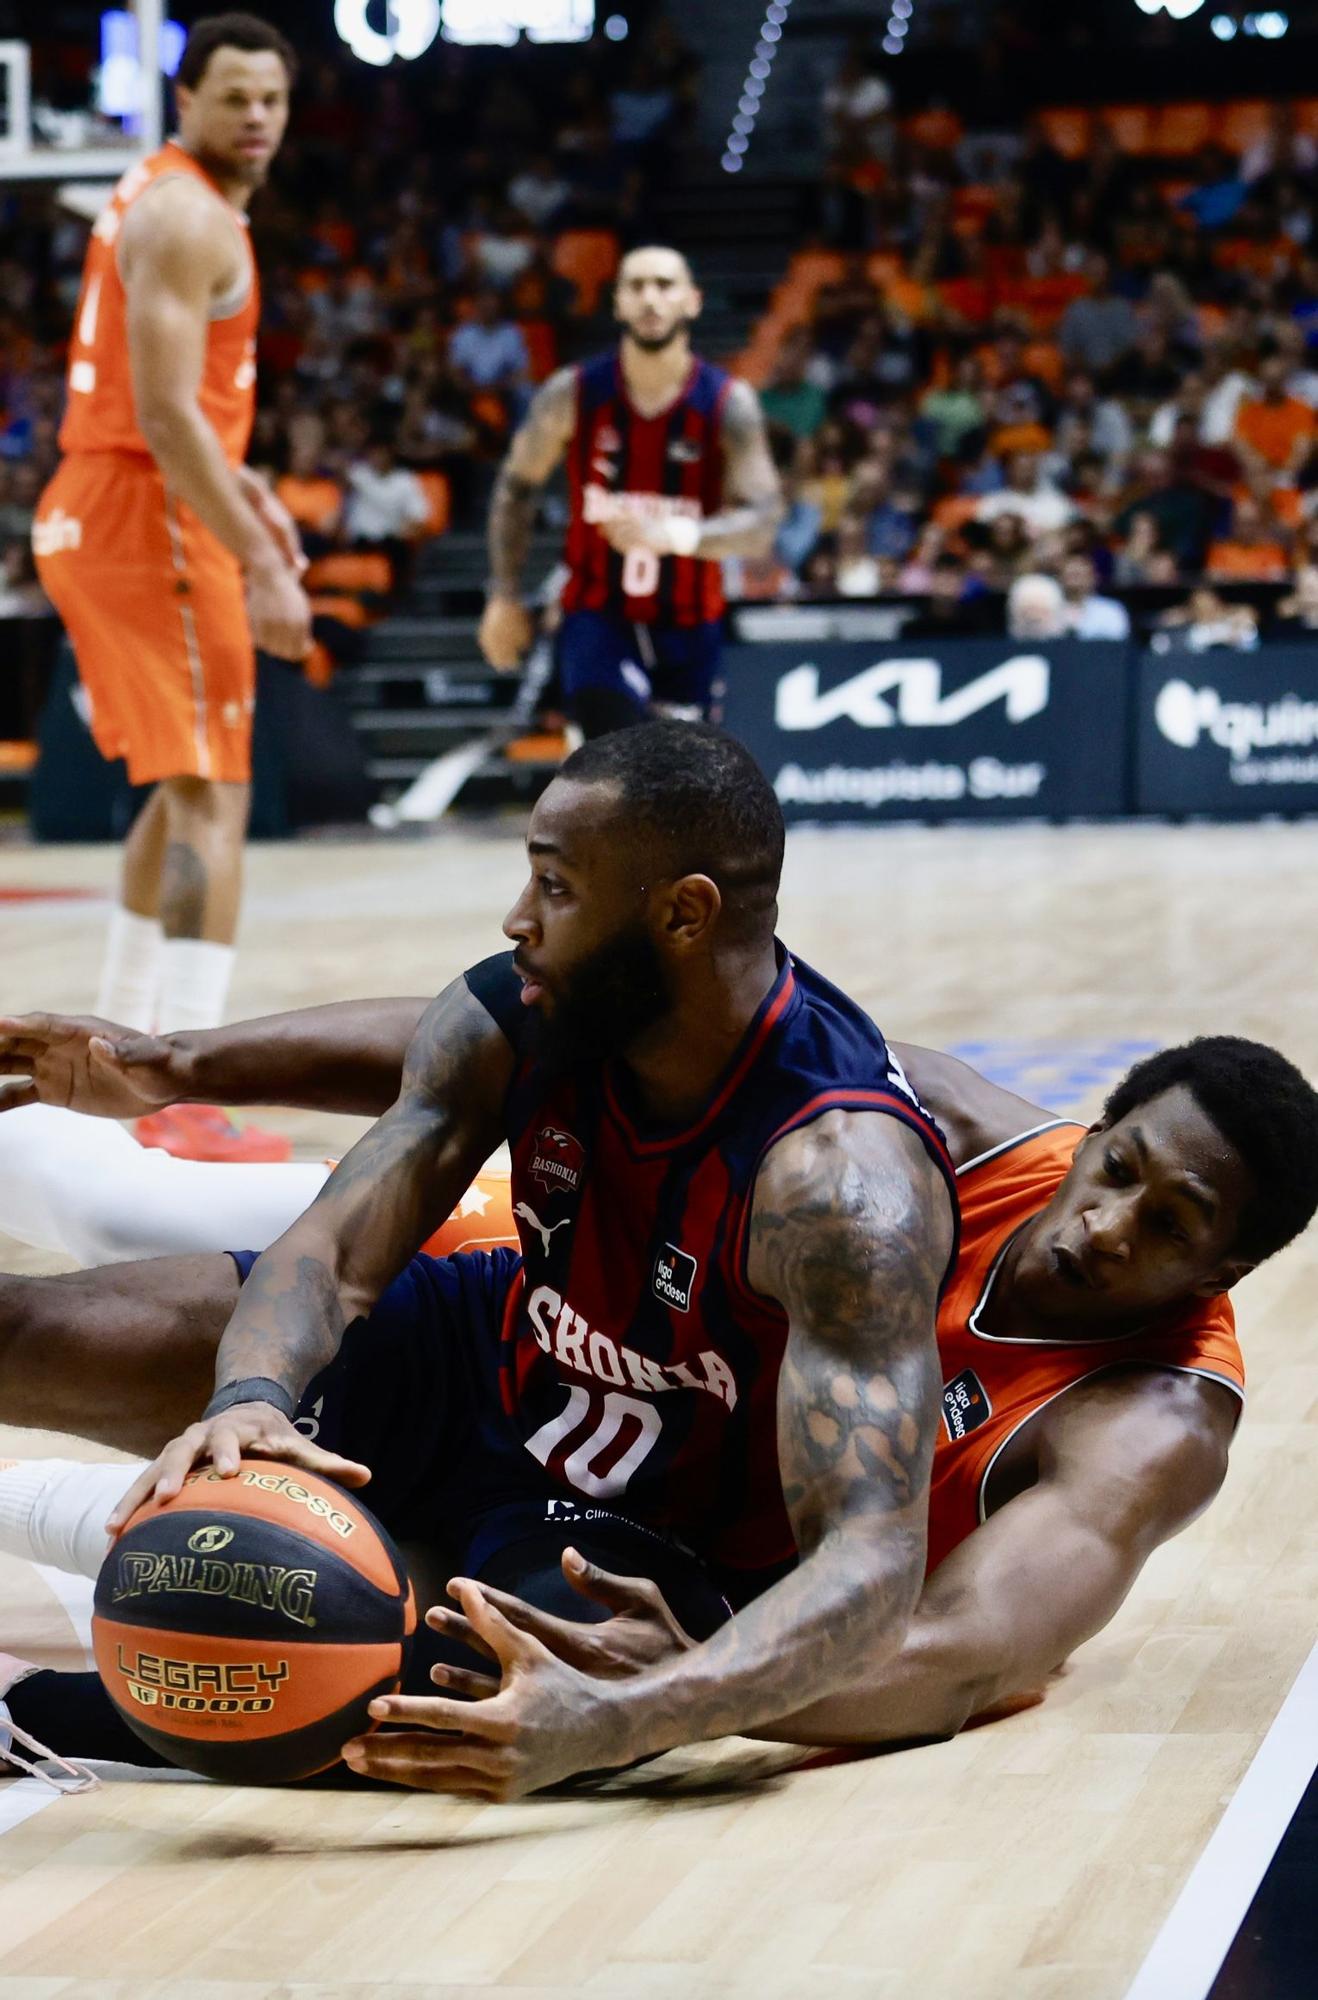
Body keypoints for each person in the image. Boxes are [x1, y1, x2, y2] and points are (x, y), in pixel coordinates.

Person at [0, 721, 957, 1796]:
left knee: (460, 1694)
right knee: (32, 1331)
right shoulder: (525, 1007)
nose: (517, 917)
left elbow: (871, 1564)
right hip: (478, 1357)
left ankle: (21, 1710)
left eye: (554, 884)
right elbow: (334, 1248)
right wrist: (254, 1394)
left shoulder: (840, 1182)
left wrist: (638, 1710)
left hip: (642, 1526)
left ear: (682, 912)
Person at [4, 1025, 1317, 1775]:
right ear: (1091, 1131)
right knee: (102, 1229)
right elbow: (535, 1031)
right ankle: (60, 1093)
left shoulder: (1144, 1425)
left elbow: (967, 1658)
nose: (1103, 1223)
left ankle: (31, 1696)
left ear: (1226, 1271)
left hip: (656, 1537)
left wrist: (675, 1694)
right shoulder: (947, 1131)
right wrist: (168, 1057)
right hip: (530, 1318)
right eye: (1119, 1167)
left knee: (382, 1662)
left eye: (1170, 1223)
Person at [29, 15, 310, 1168]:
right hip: (147, 513)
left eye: (274, 100)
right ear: (182, 97)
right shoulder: (192, 213)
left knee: (173, 785)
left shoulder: (164, 196)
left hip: (104, 501)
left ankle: (111, 1060)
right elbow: (161, 414)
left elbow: (177, 404)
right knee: (213, 798)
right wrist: (251, 554)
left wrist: (249, 491)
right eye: (234, 94)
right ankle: (179, 1092)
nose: (257, 116)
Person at [477, 246, 783, 738]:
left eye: (664, 285)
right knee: (616, 755)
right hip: (597, 612)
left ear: (693, 300)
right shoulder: (572, 393)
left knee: (681, 789)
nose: (650, 299)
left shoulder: (728, 403)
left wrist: (675, 535)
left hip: (689, 621)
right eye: (636, 286)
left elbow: (764, 521)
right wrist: (504, 594)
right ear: (617, 303)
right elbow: (516, 487)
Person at [1059, 552, 1130, 641]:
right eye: (1071, 575)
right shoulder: (1049, 607)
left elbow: (1118, 644)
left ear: (1093, 578)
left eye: (1079, 575)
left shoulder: (1111, 610)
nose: (1076, 581)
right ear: (1060, 578)